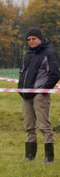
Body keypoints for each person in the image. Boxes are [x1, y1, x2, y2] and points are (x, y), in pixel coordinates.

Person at [18, 27, 59, 163]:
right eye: (28, 39)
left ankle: (49, 157)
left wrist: (44, 89)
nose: (31, 41)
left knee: (43, 125)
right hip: (26, 94)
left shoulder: (49, 52)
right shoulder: (28, 53)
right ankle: (29, 155)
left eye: (34, 39)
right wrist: (20, 88)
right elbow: (22, 72)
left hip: (40, 94)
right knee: (29, 125)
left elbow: (55, 74)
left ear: (40, 38)